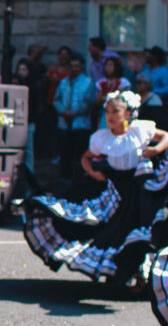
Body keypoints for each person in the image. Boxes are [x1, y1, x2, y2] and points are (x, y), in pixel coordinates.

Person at [18, 90, 168, 288]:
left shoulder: (140, 129)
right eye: (107, 112)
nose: (110, 116)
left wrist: (157, 149)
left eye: (115, 111)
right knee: (110, 232)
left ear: (128, 113)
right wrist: (94, 173)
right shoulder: (102, 137)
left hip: (139, 187)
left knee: (141, 229)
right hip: (116, 189)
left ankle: (141, 275)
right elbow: (86, 157)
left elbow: (165, 135)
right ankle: (118, 271)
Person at [52, 53, 97, 178]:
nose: (74, 69)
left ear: (81, 67)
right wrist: (63, 111)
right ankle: (64, 181)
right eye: (71, 66)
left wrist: (74, 113)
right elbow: (56, 99)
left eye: (77, 66)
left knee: (79, 157)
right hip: (64, 125)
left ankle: (78, 181)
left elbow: (88, 103)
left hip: (80, 125)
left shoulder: (87, 82)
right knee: (65, 155)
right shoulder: (63, 83)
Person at [94, 55, 127, 128]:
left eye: (110, 65)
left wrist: (105, 98)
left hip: (119, 114)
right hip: (104, 114)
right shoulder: (101, 82)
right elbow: (98, 101)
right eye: (106, 65)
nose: (108, 68)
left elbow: (119, 98)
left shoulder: (123, 82)